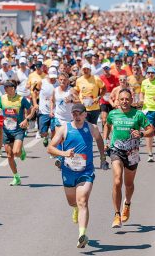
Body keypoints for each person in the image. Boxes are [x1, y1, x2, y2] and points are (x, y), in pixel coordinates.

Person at [47, 103, 105, 248]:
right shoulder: (64, 128)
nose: (77, 116)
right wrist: (64, 154)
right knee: (73, 202)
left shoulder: (92, 128)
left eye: (80, 113)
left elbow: (99, 139)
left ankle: (82, 235)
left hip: (86, 171)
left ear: (85, 114)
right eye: (74, 114)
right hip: (68, 171)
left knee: (83, 201)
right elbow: (50, 148)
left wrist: (103, 157)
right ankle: (75, 209)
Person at [103, 88, 153, 228]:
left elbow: (151, 130)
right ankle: (117, 215)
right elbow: (107, 125)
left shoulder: (138, 115)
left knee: (128, 184)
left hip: (132, 153)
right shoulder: (113, 114)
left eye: (127, 99)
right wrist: (105, 140)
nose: (124, 101)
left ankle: (127, 203)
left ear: (132, 100)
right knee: (117, 180)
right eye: (122, 99)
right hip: (116, 150)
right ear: (118, 100)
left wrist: (142, 134)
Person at [0, 80, 33, 186]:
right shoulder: (2, 98)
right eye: (4, 87)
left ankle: (21, 151)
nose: (5, 89)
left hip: (18, 129)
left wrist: (26, 119)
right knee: (9, 155)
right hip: (6, 130)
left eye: (7, 87)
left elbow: (31, 110)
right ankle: (16, 177)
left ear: (13, 88)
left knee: (16, 152)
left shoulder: (21, 99)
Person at [38, 67, 59, 147]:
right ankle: (46, 137)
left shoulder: (58, 83)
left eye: (54, 76)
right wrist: (35, 103)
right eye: (51, 76)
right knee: (43, 132)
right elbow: (34, 92)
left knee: (54, 130)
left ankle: (52, 147)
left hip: (54, 111)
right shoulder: (42, 82)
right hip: (43, 110)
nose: (53, 78)